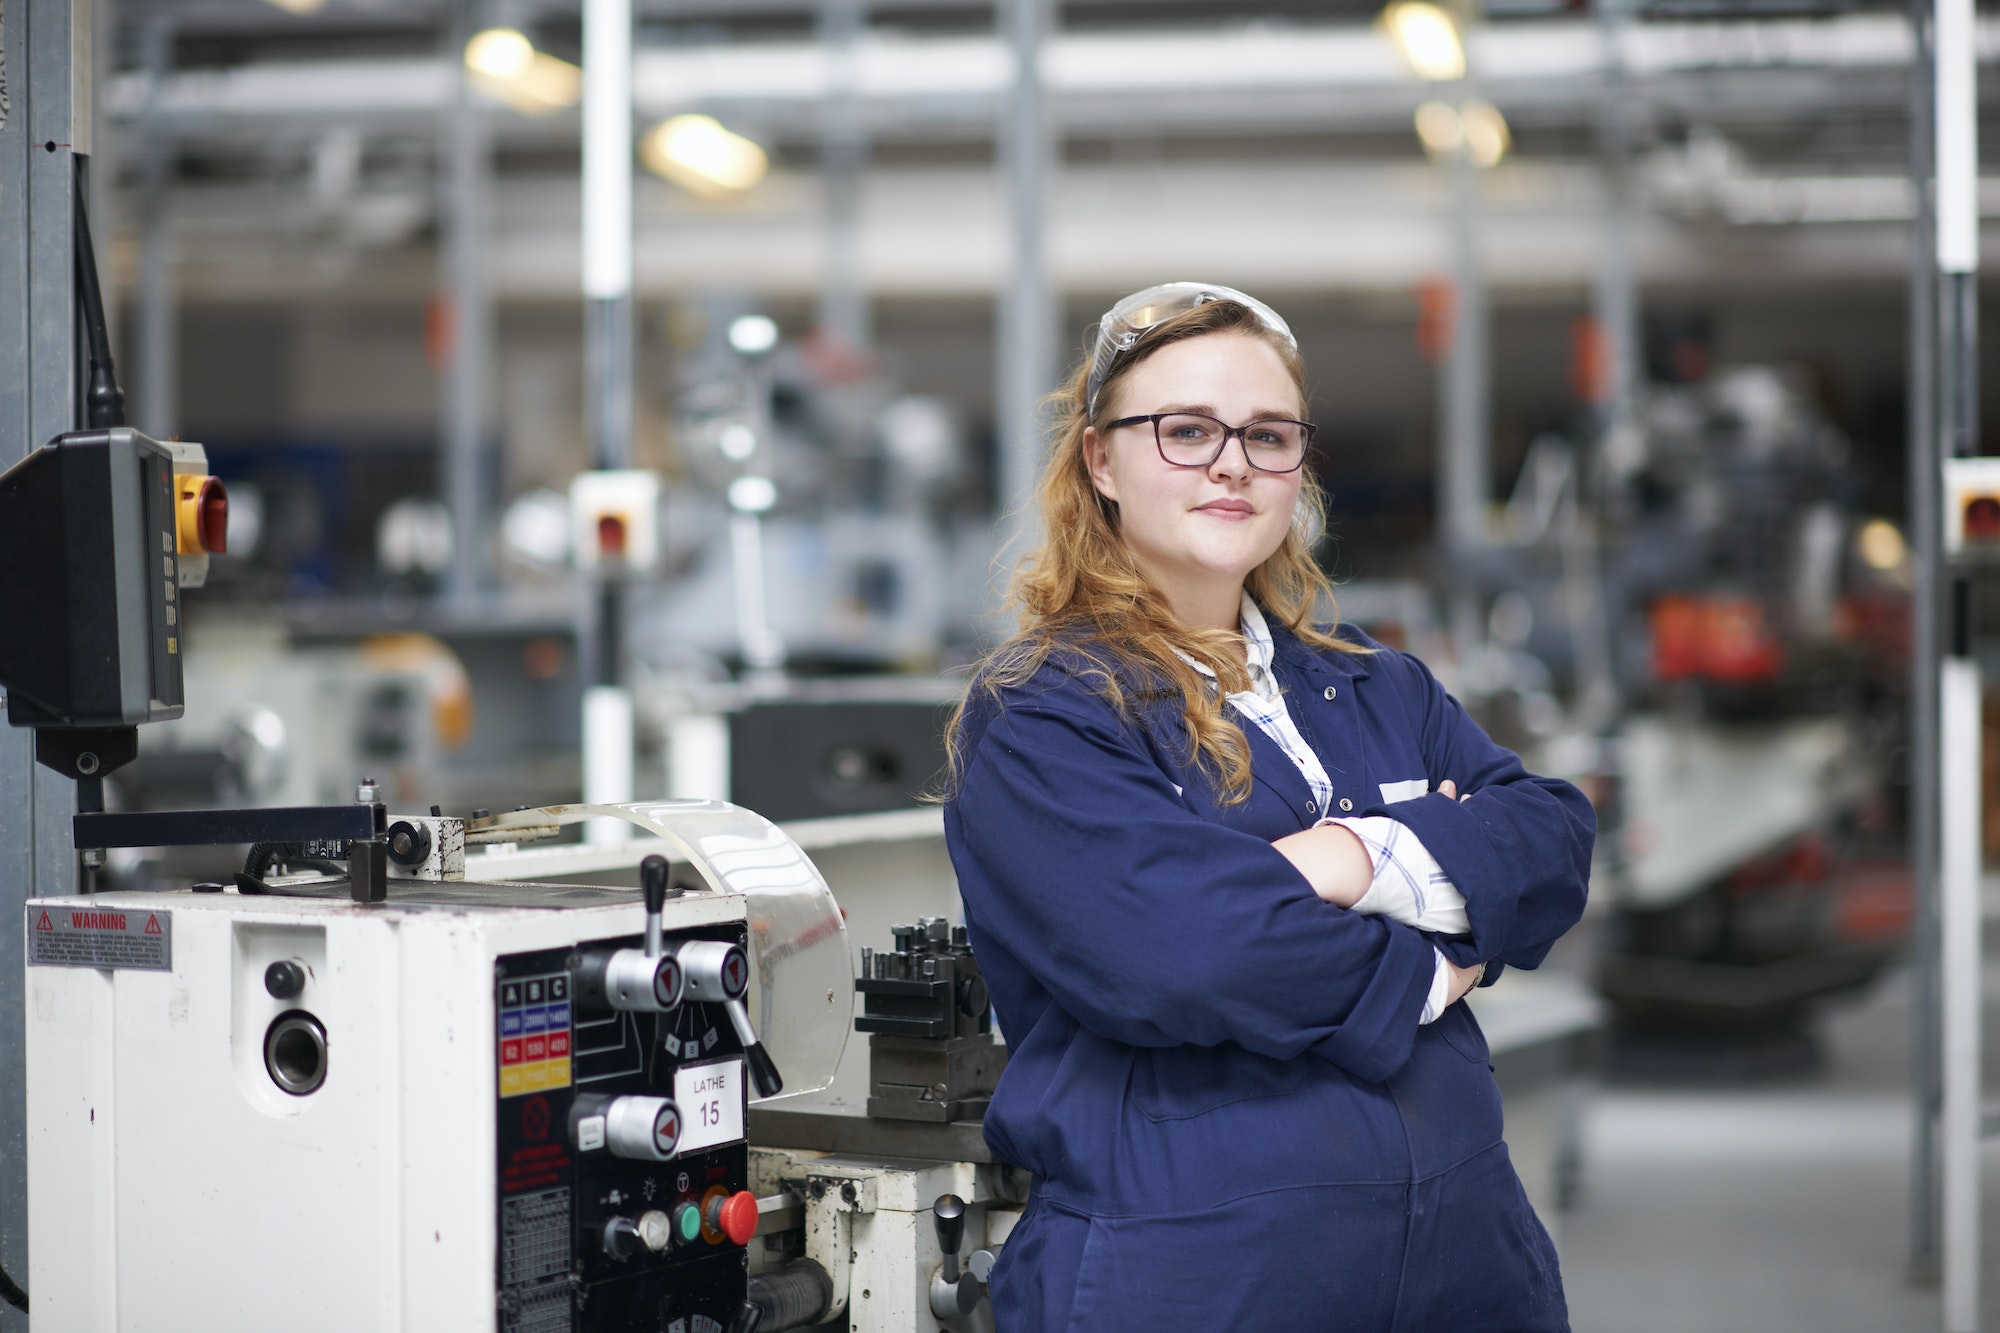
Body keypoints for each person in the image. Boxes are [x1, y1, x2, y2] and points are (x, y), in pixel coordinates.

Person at [942, 282, 1594, 1330]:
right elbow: (1185, 952)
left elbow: (1552, 841)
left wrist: (1346, 854)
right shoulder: (1043, 713)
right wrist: (1431, 959)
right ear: (1100, 461)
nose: (1231, 463)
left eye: (1266, 434)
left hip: (1467, 1258)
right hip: (1195, 1271)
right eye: (1185, 431)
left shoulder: (1380, 685)